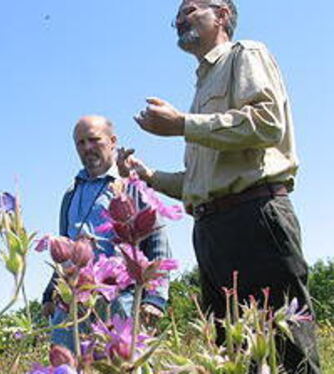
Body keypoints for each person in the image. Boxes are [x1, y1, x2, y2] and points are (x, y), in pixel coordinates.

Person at [119, 0, 320, 371]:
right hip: (212, 232)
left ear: (223, 15)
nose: (179, 18)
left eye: (190, 9)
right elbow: (200, 185)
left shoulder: (246, 55)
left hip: (255, 220)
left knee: (286, 353)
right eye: (177, 14)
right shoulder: (201, 87)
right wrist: (147, 176)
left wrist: (183, 124)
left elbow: (268, 122)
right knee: (234, 357)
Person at [41, 115, 171, 351]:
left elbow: (157, 243)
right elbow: (66, 248)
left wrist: (155, 299)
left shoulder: (131, 184)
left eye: (94, 139)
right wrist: (50, 291)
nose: (87, 147)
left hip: (121, 299)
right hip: (74, 301)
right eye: (80, 143)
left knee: (121, 365)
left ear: (112, 141)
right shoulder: (70, 194)